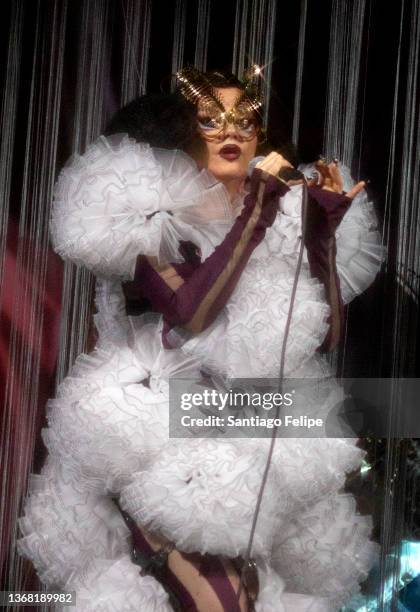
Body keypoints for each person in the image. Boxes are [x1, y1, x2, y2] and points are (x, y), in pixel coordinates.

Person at [18, 69, 384, 611]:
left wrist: (319, 239)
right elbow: (189, 315)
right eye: (210, 120)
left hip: (249, 439)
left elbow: (319, 337)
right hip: (154, 433)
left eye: (246, 120)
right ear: (187, 136)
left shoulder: (266, 219)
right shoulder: (151, 218)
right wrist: (258, 211)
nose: (230, 132)